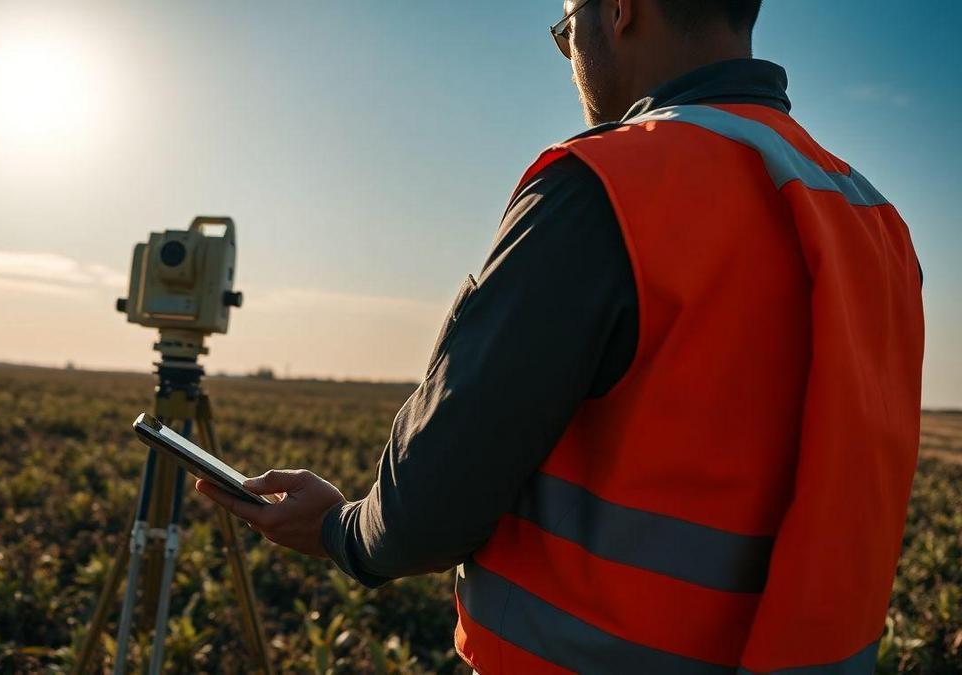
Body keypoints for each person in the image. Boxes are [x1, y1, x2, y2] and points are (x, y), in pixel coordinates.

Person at [197, 0, 925, 672]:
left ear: (618, 10)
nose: (570, 51)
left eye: (566, 26)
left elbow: (432, 502)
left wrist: (341, 529)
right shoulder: (873, 222)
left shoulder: (607, 183)